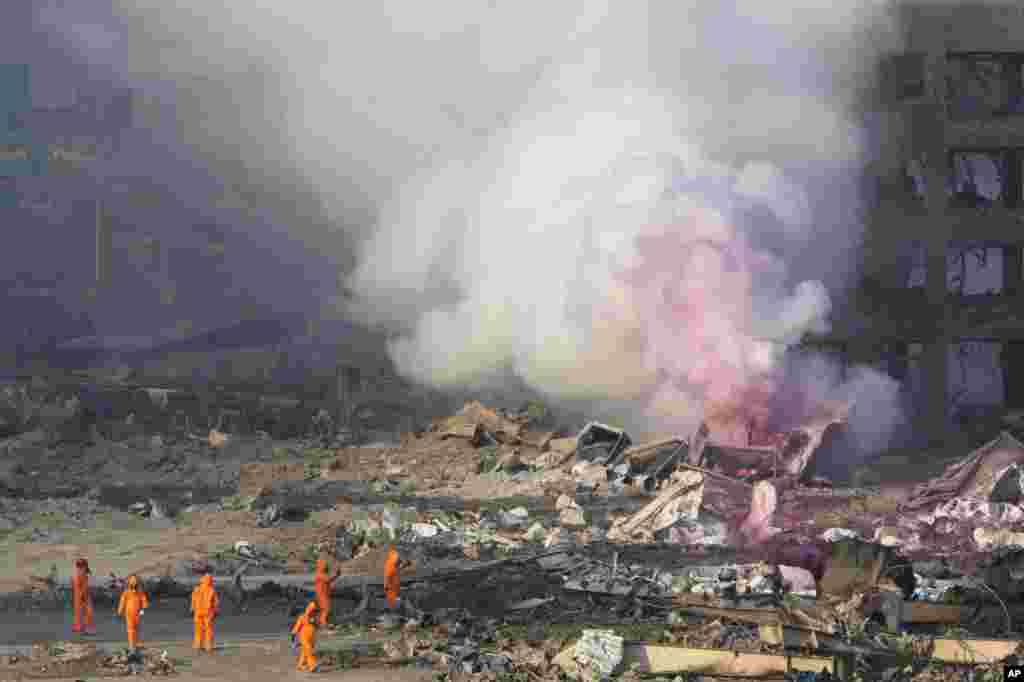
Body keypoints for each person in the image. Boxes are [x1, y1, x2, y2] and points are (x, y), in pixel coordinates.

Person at [116, 575, 149, 650]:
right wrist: (119, 612)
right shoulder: (126, 592)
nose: (134, 583)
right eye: (132, 582)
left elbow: (143, 600)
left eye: (135, 582)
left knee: (137, 628)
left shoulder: (140, 592)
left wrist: (143, 608)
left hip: (137, 613)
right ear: (129, 583)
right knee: (131, 629)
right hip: (129, 613)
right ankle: (131, 644)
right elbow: (122, 602)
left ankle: (136, 643)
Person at [190, 574, 220, 653]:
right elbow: (216, 603)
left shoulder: (196, 589)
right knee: (208, 630)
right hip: (208, 613)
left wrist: (192, 609)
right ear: (210, 581)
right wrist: (216, 611)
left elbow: (193, 600)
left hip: (198, 612)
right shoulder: (212, 590)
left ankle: (198, 645)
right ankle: (208, 646)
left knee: (198, 629)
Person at [291, 600, 321, 673]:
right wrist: (293, 640)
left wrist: (314, 622)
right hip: (304, 637)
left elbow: (317, 626)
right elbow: (295, 629)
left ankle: (300, 665)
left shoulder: (315, 618)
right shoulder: (302, 617)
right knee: (308, 650)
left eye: (314, 610)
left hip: (312, 637)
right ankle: (312, 666)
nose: (313, 612)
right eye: (312, 610)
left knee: (305, 652)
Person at [313, 559, 341, 627]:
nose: (326, 566)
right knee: (326, 609)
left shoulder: (322, 574)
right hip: (321, 595)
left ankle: (321, 622)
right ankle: (323, 623)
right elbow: (329, 579)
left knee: (324, 609)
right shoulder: (320, 574)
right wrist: (336, 574)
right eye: (324, 565)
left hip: (324, 594)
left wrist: (336, 574)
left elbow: (329, 579)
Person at [71, 558, 95, 635]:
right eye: (78, 565)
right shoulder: (79, 574)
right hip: (80, 596)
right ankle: (81, 627)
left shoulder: (81, 574)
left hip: (82, 596)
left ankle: (84, 627)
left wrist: (81, 594)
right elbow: (81, 586)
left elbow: (84, 586)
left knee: (85, 612)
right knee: (82, 612)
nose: (79, 567)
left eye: (80, 566)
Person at [383, 544, 401, 611]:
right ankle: (393, 608)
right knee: (393, 597)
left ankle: (393, 608)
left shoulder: (392, 556)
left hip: (393, 585)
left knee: (394, 597)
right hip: (391, 586)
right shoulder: (391, 561)